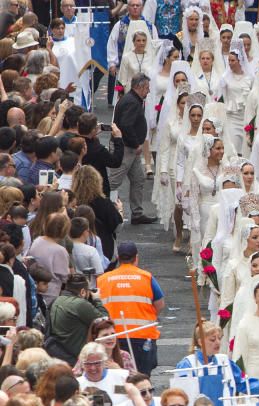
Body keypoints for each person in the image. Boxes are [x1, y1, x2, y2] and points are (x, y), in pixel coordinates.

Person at [96, 241, 165, 375]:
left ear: (118, 257)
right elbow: (160, 304)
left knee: (117, 377)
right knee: (141, 377)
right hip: (143, 336)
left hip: (113, 336)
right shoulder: (146, 277)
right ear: (136, 258)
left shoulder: (103, 279)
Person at [110, 74, 156, 224]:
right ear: (140, 87)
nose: (148, 91)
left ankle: (137, 213)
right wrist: (136, 143)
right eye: (147, 88)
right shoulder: (132, 102)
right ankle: (103, 208)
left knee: (138, 179)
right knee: (114, 181)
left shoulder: (133, 100)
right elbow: (126, 125)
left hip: (131, 148)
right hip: (126, 148)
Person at [46, 273, 107, 364]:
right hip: (76, 358)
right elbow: (105, 321)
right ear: (82, 292)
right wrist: (97, 300)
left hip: (59, 354)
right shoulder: (79, 304)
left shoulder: (56, 301)